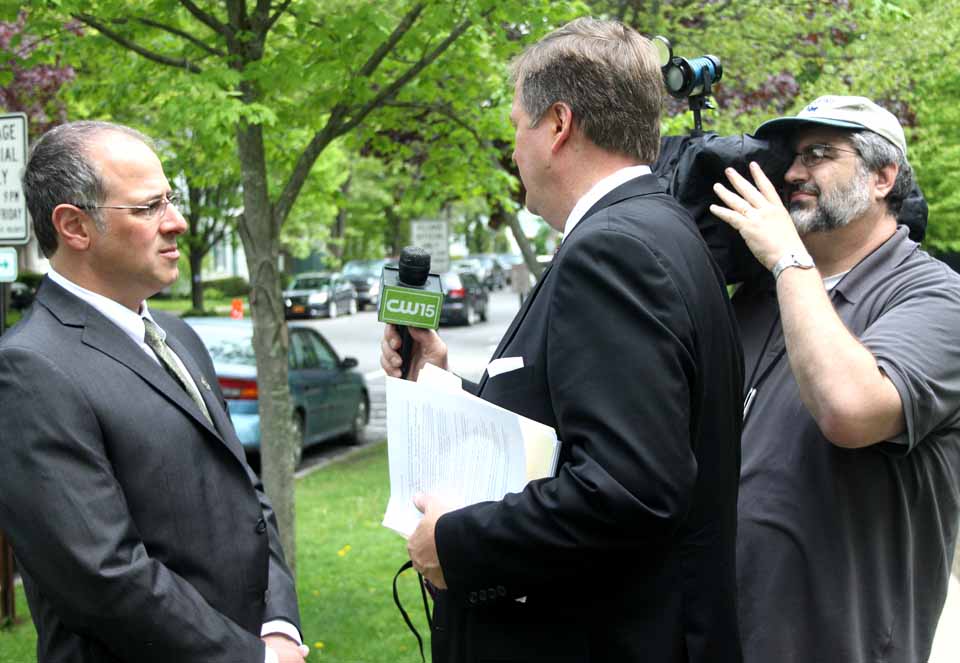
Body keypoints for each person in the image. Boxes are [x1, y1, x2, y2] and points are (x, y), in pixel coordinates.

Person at [381, 18, 744, 663]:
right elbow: (589, 426)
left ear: (557, 124)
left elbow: (626, 489)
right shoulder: (659, 229)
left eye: (517, 127)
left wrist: (456, 543)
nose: (514, 150)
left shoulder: (613, 251)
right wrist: (441, 381)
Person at [0, 121, 307, 663]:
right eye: (148, 208)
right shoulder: (30, 369)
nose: (179, 222)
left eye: (172, 200)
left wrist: (279, 624)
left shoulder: (180, 335)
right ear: (74, 226)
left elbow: (246, 494)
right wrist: (251, 658)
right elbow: (102, 576)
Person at [710, 96, 960, 662]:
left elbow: (850, 409)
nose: (795, 173)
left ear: (883, 177)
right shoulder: (758, 296)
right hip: (724, 634)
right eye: (793, 157)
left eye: (821, 154)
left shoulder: (935, 296)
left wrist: (786, 260)